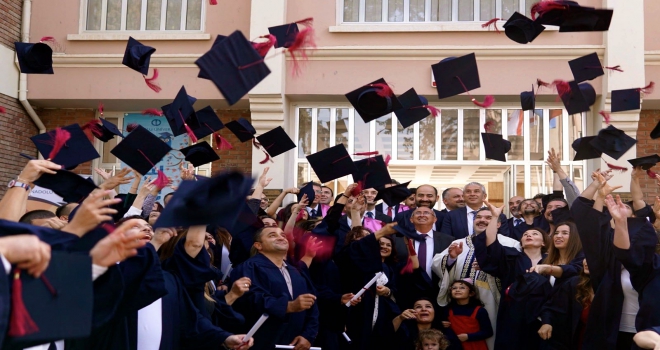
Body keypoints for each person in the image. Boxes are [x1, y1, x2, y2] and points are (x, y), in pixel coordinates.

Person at [433, 207, 521, 349]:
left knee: (492, 334)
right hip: (461, 302)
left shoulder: (510, 244)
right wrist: (451, 258)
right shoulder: (458, 243)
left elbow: (516, 271)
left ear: (498, 224)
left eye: (488, 218)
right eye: (479, 217)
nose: (482, 220)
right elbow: (437, 264)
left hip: (493, 298)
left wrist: (492, 266)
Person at [570, 172, 640, 350]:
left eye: (623, 209)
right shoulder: (604, 253)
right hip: (612, 333)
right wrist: (599, 195)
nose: (617, 211)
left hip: (649, 330)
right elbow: (586, 219)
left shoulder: (646, 250)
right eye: (612, 210)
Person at [230, 226, 319, 350]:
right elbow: (251, 299)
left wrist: (308, 336)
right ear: (258, 245)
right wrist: (288, 306)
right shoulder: (249, 267)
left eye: (283, 235)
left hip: (295, 343)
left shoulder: (296, 271)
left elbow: (312, 304)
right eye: (272, 235)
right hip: (261, 342)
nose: (281, 238)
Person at [335, 223, 400, 350]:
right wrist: (381, 231)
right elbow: (356, 249)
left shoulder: (384, 266)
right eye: (360, 237)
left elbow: (394, 289)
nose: (366, 240)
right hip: (355, 312)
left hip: (378, 313)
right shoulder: (347, 258)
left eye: (368, 236)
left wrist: (387, 291)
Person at [396, 206, 454, 310]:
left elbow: (450, 265)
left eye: (427, 213)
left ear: (435, 219)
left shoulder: (448, 240)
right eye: (418, 213)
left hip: (437, 288)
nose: (422, 215)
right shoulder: (399, 240)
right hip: (407, 289)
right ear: (411, 219)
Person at [538, 258, 593, 350]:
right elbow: (551, 308)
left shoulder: (613, 288)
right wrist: (547, 323)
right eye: (585, 257)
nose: (586, 262)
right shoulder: (575, 283)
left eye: (592, 256)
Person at [440, 183, 509, 239]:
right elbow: (446, 238)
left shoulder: (498, 215)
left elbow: (503, 238)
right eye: (468, 192)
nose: (472, 194)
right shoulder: (451, 215)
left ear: (484, 196)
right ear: (463, 196)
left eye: (476, 191)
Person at [441, 279, 492, 350]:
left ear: (471, 293)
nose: (457, 290)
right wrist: (442, 324)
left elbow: (488, 332)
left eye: (462, 288)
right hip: (455, 346)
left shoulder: (479, 311)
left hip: (476, 346)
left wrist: (468, 337)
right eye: (454, 288)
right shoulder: (447, 310)